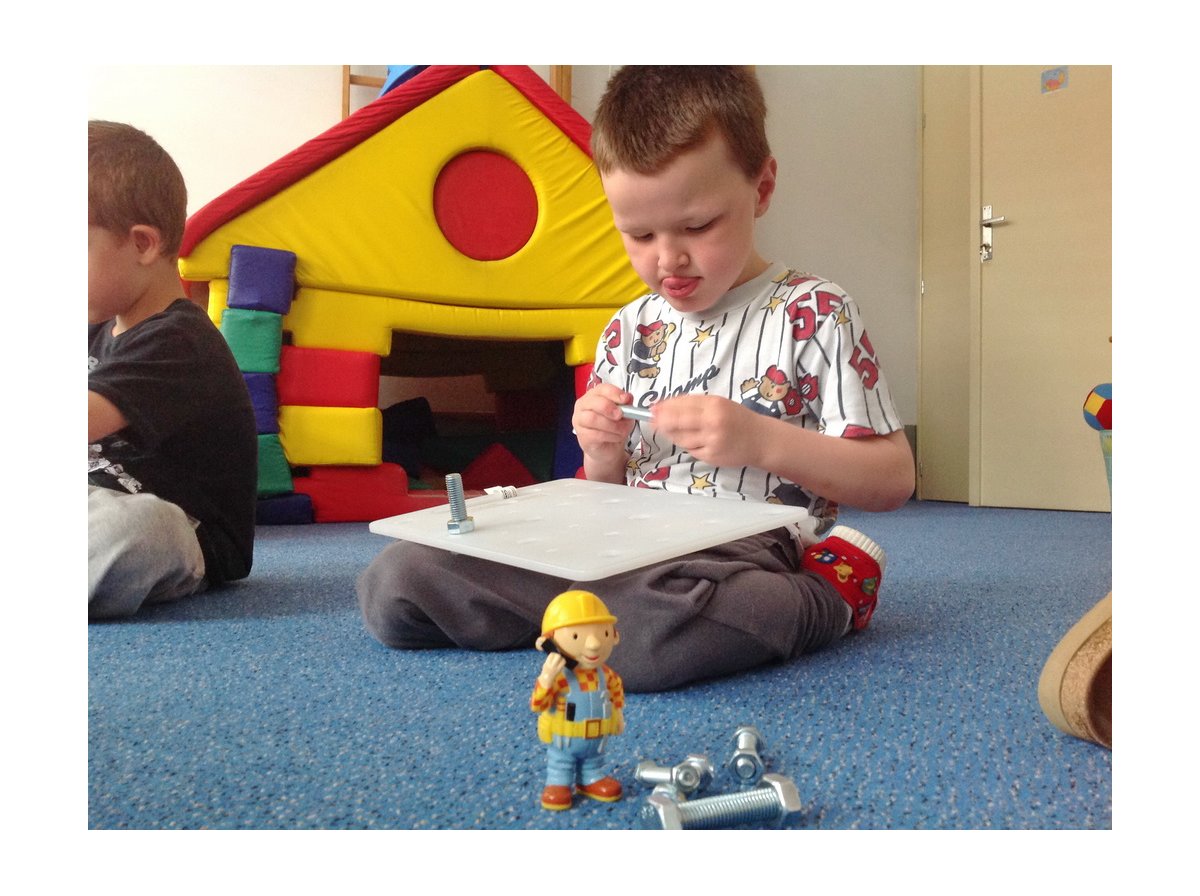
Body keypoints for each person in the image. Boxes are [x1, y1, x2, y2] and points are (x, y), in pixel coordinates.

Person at [357, 66, 915, 691]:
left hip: (740, 548)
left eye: (698, 227)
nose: (667, 258)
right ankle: (589, 616)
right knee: (396, 586)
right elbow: (606, 492)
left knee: (645, 634)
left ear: (761, 188)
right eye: (639, 234)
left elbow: (892, 479)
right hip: (617, 545)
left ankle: (830, 595)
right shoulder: (629, 328)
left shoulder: (814, 312)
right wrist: (602, 452)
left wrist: (762, 441)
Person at [88, 120, 257, 619]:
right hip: (92, 504)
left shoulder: (181, 340)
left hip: (185, 530)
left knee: (139, 529)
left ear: (143, 244)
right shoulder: (93, 325)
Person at [531, 590, 625, 810]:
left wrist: (618, 714)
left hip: (597, 737)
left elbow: (616, 693)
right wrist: (546, 678)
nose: (593, 644)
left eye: (603, 633)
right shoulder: (559, 677)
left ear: (614, 635)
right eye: (576, 636)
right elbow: (538, 704)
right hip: (565, 737)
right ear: (547, 643)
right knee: (561, 761)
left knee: (594, 759)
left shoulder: (606, 675)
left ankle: (591, 778)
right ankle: (558, 782)